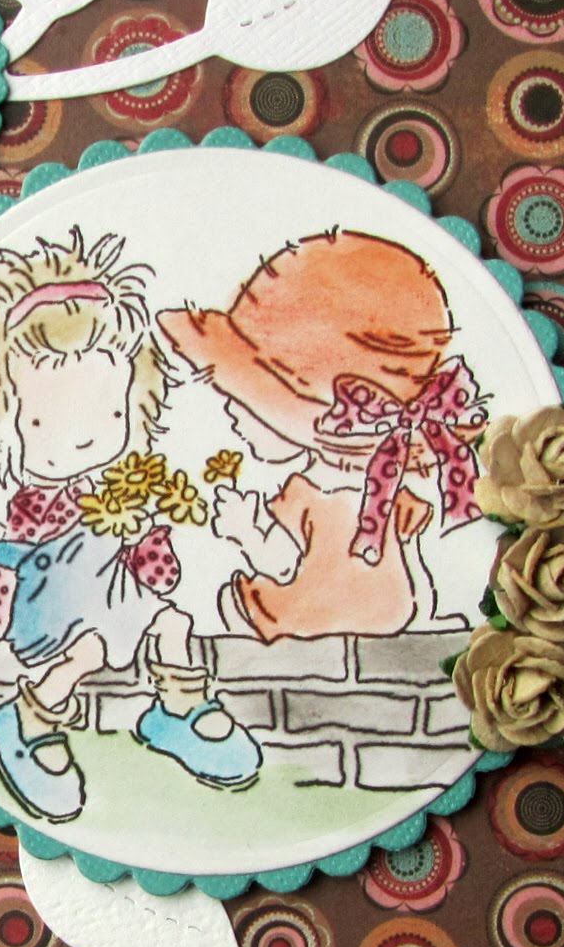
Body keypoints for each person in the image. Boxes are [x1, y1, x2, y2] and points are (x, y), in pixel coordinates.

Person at [0, 226, 260, 824]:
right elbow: (7, 559)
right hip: (52, 606)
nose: (87, 437)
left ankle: (176, 713)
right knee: (87, 651)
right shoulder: (38, 506)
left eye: (110, 411)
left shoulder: (121, 486)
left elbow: (149, 561)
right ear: (1, 420)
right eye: (48, 421)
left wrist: (150, 545)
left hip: (115, 595)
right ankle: (27, 718)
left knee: (174, 621)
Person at [157, 228, 487, 641]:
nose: (232, 410)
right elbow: (410, 568)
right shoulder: (388, 488)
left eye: (246, 399)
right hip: (394, 619)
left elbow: (282, 562)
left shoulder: (313, 493)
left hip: (308, 619)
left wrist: (245, 531)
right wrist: (422, 617)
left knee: (236, 601)